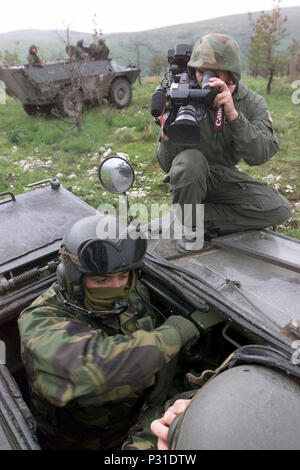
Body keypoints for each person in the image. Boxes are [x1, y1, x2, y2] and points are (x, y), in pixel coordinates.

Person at [18, 214, 204, 450]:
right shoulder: (39, 320)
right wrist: (176, 332)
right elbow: (91, 371)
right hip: (82, 443)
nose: (117, 287)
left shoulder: (133, 292)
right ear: (73, 278)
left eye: (123, 276)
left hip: (135, 419)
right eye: (101, 280)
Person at [156, 34, 291, 251]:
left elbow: (260, 155)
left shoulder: (251, 102)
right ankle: (191, 226)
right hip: (191, 177)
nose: (203, 79)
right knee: (191, 160)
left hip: (224, 178)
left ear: (232, 75)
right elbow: (168, 165)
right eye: (199, 72)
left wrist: (234, 116)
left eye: (213, 73)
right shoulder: (184, 96)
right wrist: (167, 138)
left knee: (279, 209)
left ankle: (195, 218)